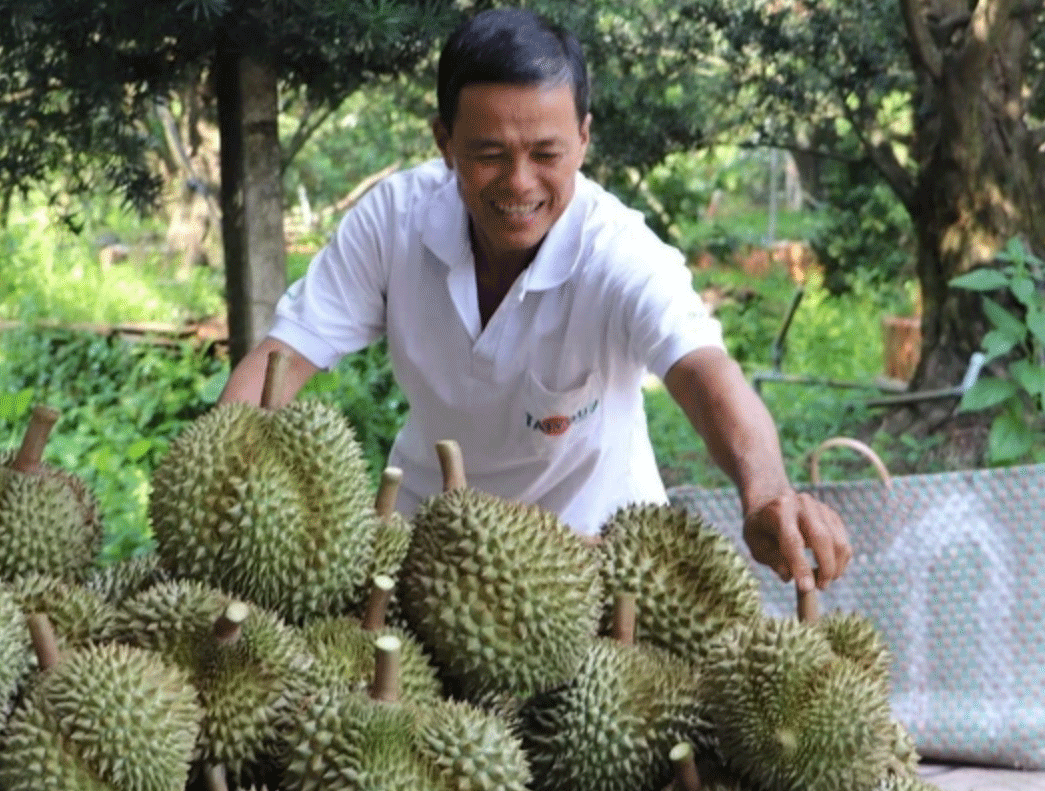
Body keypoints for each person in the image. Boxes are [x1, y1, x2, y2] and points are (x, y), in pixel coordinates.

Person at [219, 8, 851, 592]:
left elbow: (702, 371)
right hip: (428, 553)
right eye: (488, 154)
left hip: (592, 561)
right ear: (444, 142)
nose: (518, 183)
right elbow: (287, 354)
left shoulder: (617, 250)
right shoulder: (394, 222)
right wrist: (216, 471)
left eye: (546, 154)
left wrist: (766, 493)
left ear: (583, 139)